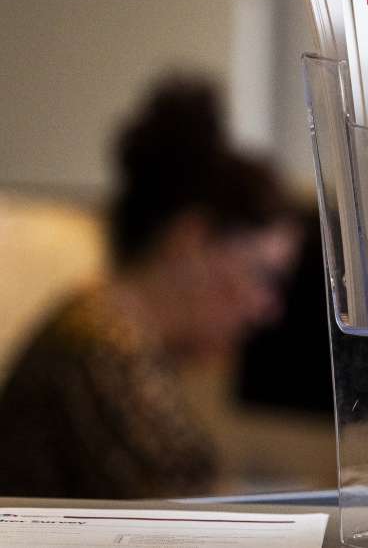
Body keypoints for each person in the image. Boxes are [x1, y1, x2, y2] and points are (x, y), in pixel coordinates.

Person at [0, 74, 299, 498]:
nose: (268, 308)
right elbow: (191, 518)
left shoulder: (102, 333)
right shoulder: (103, 349)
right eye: (262, 276)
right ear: (191, 241)